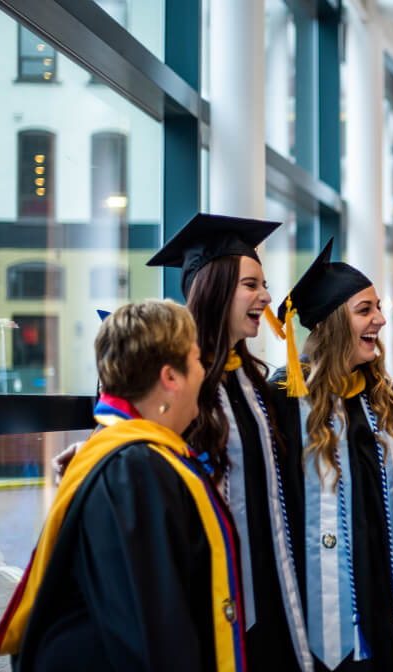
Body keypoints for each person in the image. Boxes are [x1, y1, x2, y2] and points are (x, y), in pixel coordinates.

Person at [0, 300, 245, 671]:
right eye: (196, 359)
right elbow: (155, 631)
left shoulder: (131, 460)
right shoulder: (134, 471)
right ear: (170, 377)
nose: (204, 372)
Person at [148, 213, 311, 671]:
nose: (266, 297)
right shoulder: (178, 381)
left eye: (264, 284)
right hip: (208, 583)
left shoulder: (252, 381)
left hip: (269, 573)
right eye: (251, 284)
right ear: (214, 288)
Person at [269, 238, 393, 670]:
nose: (380, 319)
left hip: (384, 590)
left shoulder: (382, 398)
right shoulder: (282, 399)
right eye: (365, 310)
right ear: (331, 324)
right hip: (316, 598)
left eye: (378, 307)